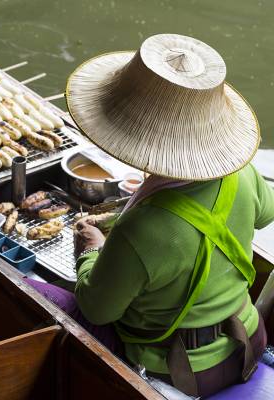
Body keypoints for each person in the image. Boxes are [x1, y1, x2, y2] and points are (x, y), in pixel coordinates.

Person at [26, 33, 274, 398]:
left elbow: (97, 309)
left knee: (31, 292)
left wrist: (92, 251)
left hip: (182, 368)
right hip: (246, 339)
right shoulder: (244, 172)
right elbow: (263, 216)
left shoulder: (142, 229)